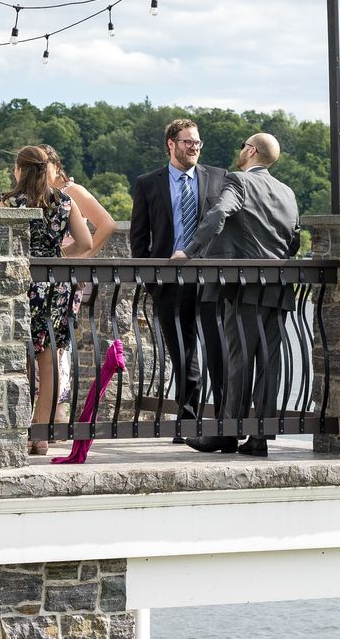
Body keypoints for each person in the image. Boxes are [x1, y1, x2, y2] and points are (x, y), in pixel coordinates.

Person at [173, 132, 300, 456]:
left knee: (238, 360)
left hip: (244, 288)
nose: (241, 150)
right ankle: (259, 438)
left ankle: (227, 434)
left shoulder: (239, 181)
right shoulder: (287, 192)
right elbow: (295, 239)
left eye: (244, 145)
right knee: (269, 365)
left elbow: (219, 214)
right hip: (278, 288)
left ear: (251, 150)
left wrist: (189, 251)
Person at [5, 144, 116, 455]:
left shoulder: (10, 202)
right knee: (50, 354)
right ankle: (41, 432)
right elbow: (86, 242)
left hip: (22, 285)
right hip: (57, 285)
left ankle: (18, 428)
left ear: (19, 170)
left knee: (20, 355)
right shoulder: (64, 202)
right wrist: (57, 256)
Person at [128, 118, 228, 439]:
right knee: (184, 357)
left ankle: (224, 425)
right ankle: (187, 425)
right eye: (188, 142)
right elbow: (138, 238)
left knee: (219, 354)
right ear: (171, 144)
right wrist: (152, 282)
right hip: (168, 283)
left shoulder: (218, 178)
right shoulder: (148, 183)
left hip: (210, 281)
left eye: (197, 142)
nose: (194, 147)